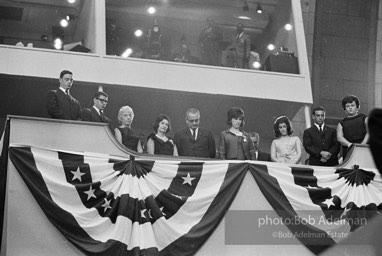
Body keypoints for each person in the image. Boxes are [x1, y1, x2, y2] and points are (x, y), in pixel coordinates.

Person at [337, 95, 369, 160]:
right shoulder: (341, 123)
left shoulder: (364, 118)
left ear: (357, 107)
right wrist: (350, 145)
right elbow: (339, 138)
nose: (350, 108)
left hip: (364, 148)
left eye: (352, 105)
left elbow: (370, 132)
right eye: (347, 106)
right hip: (348, 150)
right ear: (344, 109)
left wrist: (362, 145)